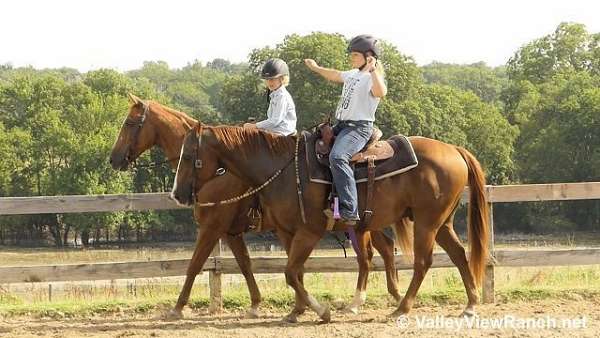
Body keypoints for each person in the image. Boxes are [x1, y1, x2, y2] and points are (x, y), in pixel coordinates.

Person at [304, 35, 387, 224]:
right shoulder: (353, 74)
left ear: (369, 57)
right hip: (341, 125)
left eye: (355, 54)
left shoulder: (372, 78)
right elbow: (334, 74)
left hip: (359, 129)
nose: (351, 57)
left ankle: (350, 209)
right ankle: (329, 200)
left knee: (337, 156)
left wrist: (373, 70)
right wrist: (316, 68)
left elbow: (381, 93)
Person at [244, 58, 297, 136]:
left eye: (272, 79)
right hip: (274, 131)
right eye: (267, 79)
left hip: (282, 134)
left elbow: (275, 121)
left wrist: (254, 126)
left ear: (282, 79)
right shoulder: (275, 95)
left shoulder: (282, 96)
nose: (269, 82)